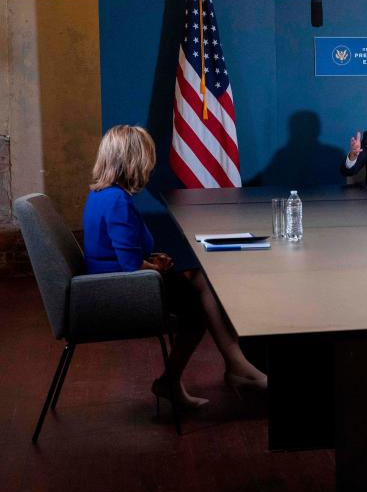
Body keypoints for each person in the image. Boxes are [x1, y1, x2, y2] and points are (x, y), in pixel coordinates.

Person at [82, 125, 267, 410]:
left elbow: (119, 252)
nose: (152, 164)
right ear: (134, 161)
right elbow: (130, 266)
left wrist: (153, 258)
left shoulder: (102, 194)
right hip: (120, 289)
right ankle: (231, 366)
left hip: (113, 279)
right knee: (198, 304)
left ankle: (233, 365)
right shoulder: (117, 200)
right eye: (149, 157)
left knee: (201, 281)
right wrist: (155, 266)